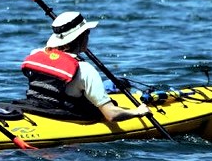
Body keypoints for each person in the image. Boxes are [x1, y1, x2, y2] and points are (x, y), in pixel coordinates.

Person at [19, 11, 150, 122]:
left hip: (35, 107)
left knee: (109, 86)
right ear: (81, 37)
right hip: (63, 115)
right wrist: (137, 112)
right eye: (87, 33)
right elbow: (111, 115)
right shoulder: (85, 70)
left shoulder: (36, 53)